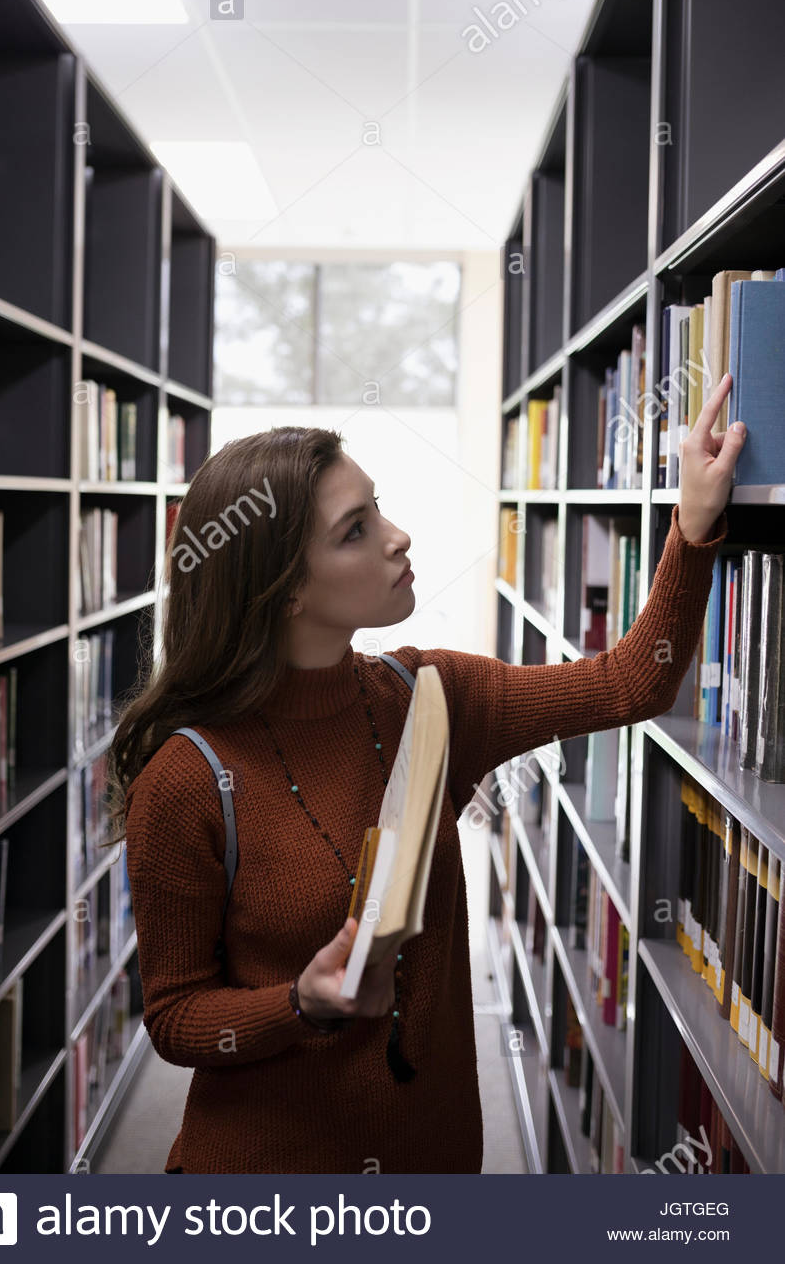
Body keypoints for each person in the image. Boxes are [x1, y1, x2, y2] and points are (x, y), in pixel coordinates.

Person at [104, 373, 745, 1173]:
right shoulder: (187, 780)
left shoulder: (429, 698)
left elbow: (630, 683)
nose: (397, 537)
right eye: (355, 530)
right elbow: (174, 1016)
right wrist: (299, 1005)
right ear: (285, 592)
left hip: (435, 1163)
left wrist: (692, 522)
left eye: (380, 508)